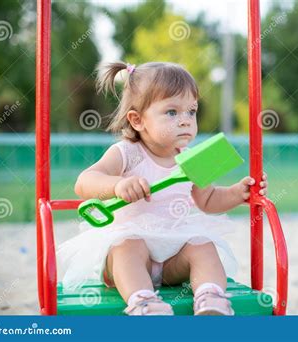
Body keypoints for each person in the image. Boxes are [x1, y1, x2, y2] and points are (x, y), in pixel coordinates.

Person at [57, 61, 268, 316]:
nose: (185, 121)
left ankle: (210, 296)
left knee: (202, 245)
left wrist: (237, 193)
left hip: (172, 258)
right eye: (171, 112)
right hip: (132, 256)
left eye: (191, 112)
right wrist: (118, 185)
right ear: (137, 120)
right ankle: (143, 300)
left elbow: (208, 200)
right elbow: (85, 181)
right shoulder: (127, 153)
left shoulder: (191, 158)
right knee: (128, 246)